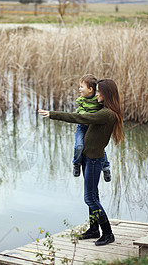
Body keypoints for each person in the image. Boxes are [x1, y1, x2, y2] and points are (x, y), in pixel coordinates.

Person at [38, 79, 124, 246]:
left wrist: (54, 114)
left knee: (90, 198)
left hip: (93, 160)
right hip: (87, 157)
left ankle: (108, 233)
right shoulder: (105, 110)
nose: (96, 94)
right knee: (94, 195)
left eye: (99, 91)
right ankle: (94, 229)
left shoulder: (106, 114)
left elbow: (80, 116)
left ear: (106, 94)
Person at [73, 74, 111, 183]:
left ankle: (106, 168)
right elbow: (78, 111)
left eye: (81, 87)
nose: (79, 89)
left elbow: (104, 110)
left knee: (99, 148)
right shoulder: (81, 100)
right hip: (82, 126)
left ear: (90, 89)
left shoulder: (98, 99)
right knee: (79, 145)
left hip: (94, 127)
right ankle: (76, 163)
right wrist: (86, 117)